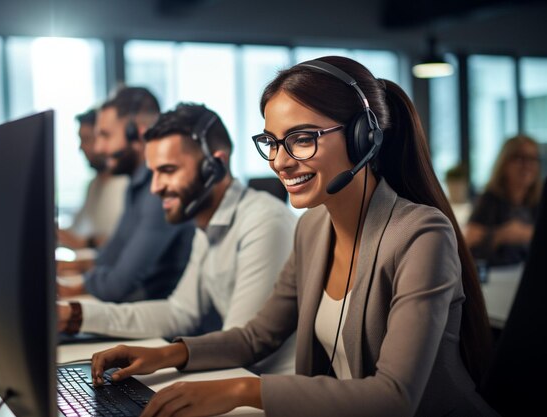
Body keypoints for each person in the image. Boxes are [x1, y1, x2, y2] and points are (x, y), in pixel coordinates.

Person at [88, 57, 498, 417]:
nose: (281, 161)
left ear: (363, 137)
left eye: (302, 139)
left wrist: (241, 390)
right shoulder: (313, 228)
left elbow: (394, 397)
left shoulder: (420, 235)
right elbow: (256, 336)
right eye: (272, 142)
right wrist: (162, 355)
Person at [58, 103, 297, 374]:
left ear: (214, 166)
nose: (155, 187)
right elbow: (180, 312)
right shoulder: (206, 224)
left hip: (264, 389)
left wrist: (163, 356)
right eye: (153, 172)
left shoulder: (264, 223)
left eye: (168, 170)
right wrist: (74, 316)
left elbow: (240, 346)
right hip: (236, 376)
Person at [57, 87, 195, 303]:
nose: (100, 148)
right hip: (137, 309)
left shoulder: (158, 191)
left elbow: (117, 285)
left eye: (105, 135)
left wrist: (69, 289)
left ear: (137, 133)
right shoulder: (136, 185)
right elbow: (108, 257)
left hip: (156, 317)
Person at [465, 134, 542, 266]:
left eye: (532, 159)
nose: (527, 165)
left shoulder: (538, 199)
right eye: (520, 158)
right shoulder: (490, 199)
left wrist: (525, 233)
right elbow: (469, 240)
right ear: (505, 163)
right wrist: (503, 234)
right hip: (498, 277)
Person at [57, 108, 129, 250]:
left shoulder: (126, 184)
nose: (81, 147)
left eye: (86, 139)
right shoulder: (94, 185)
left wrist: (87, 243)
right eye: (80, 140)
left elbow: (124, 242)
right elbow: (75, 230)